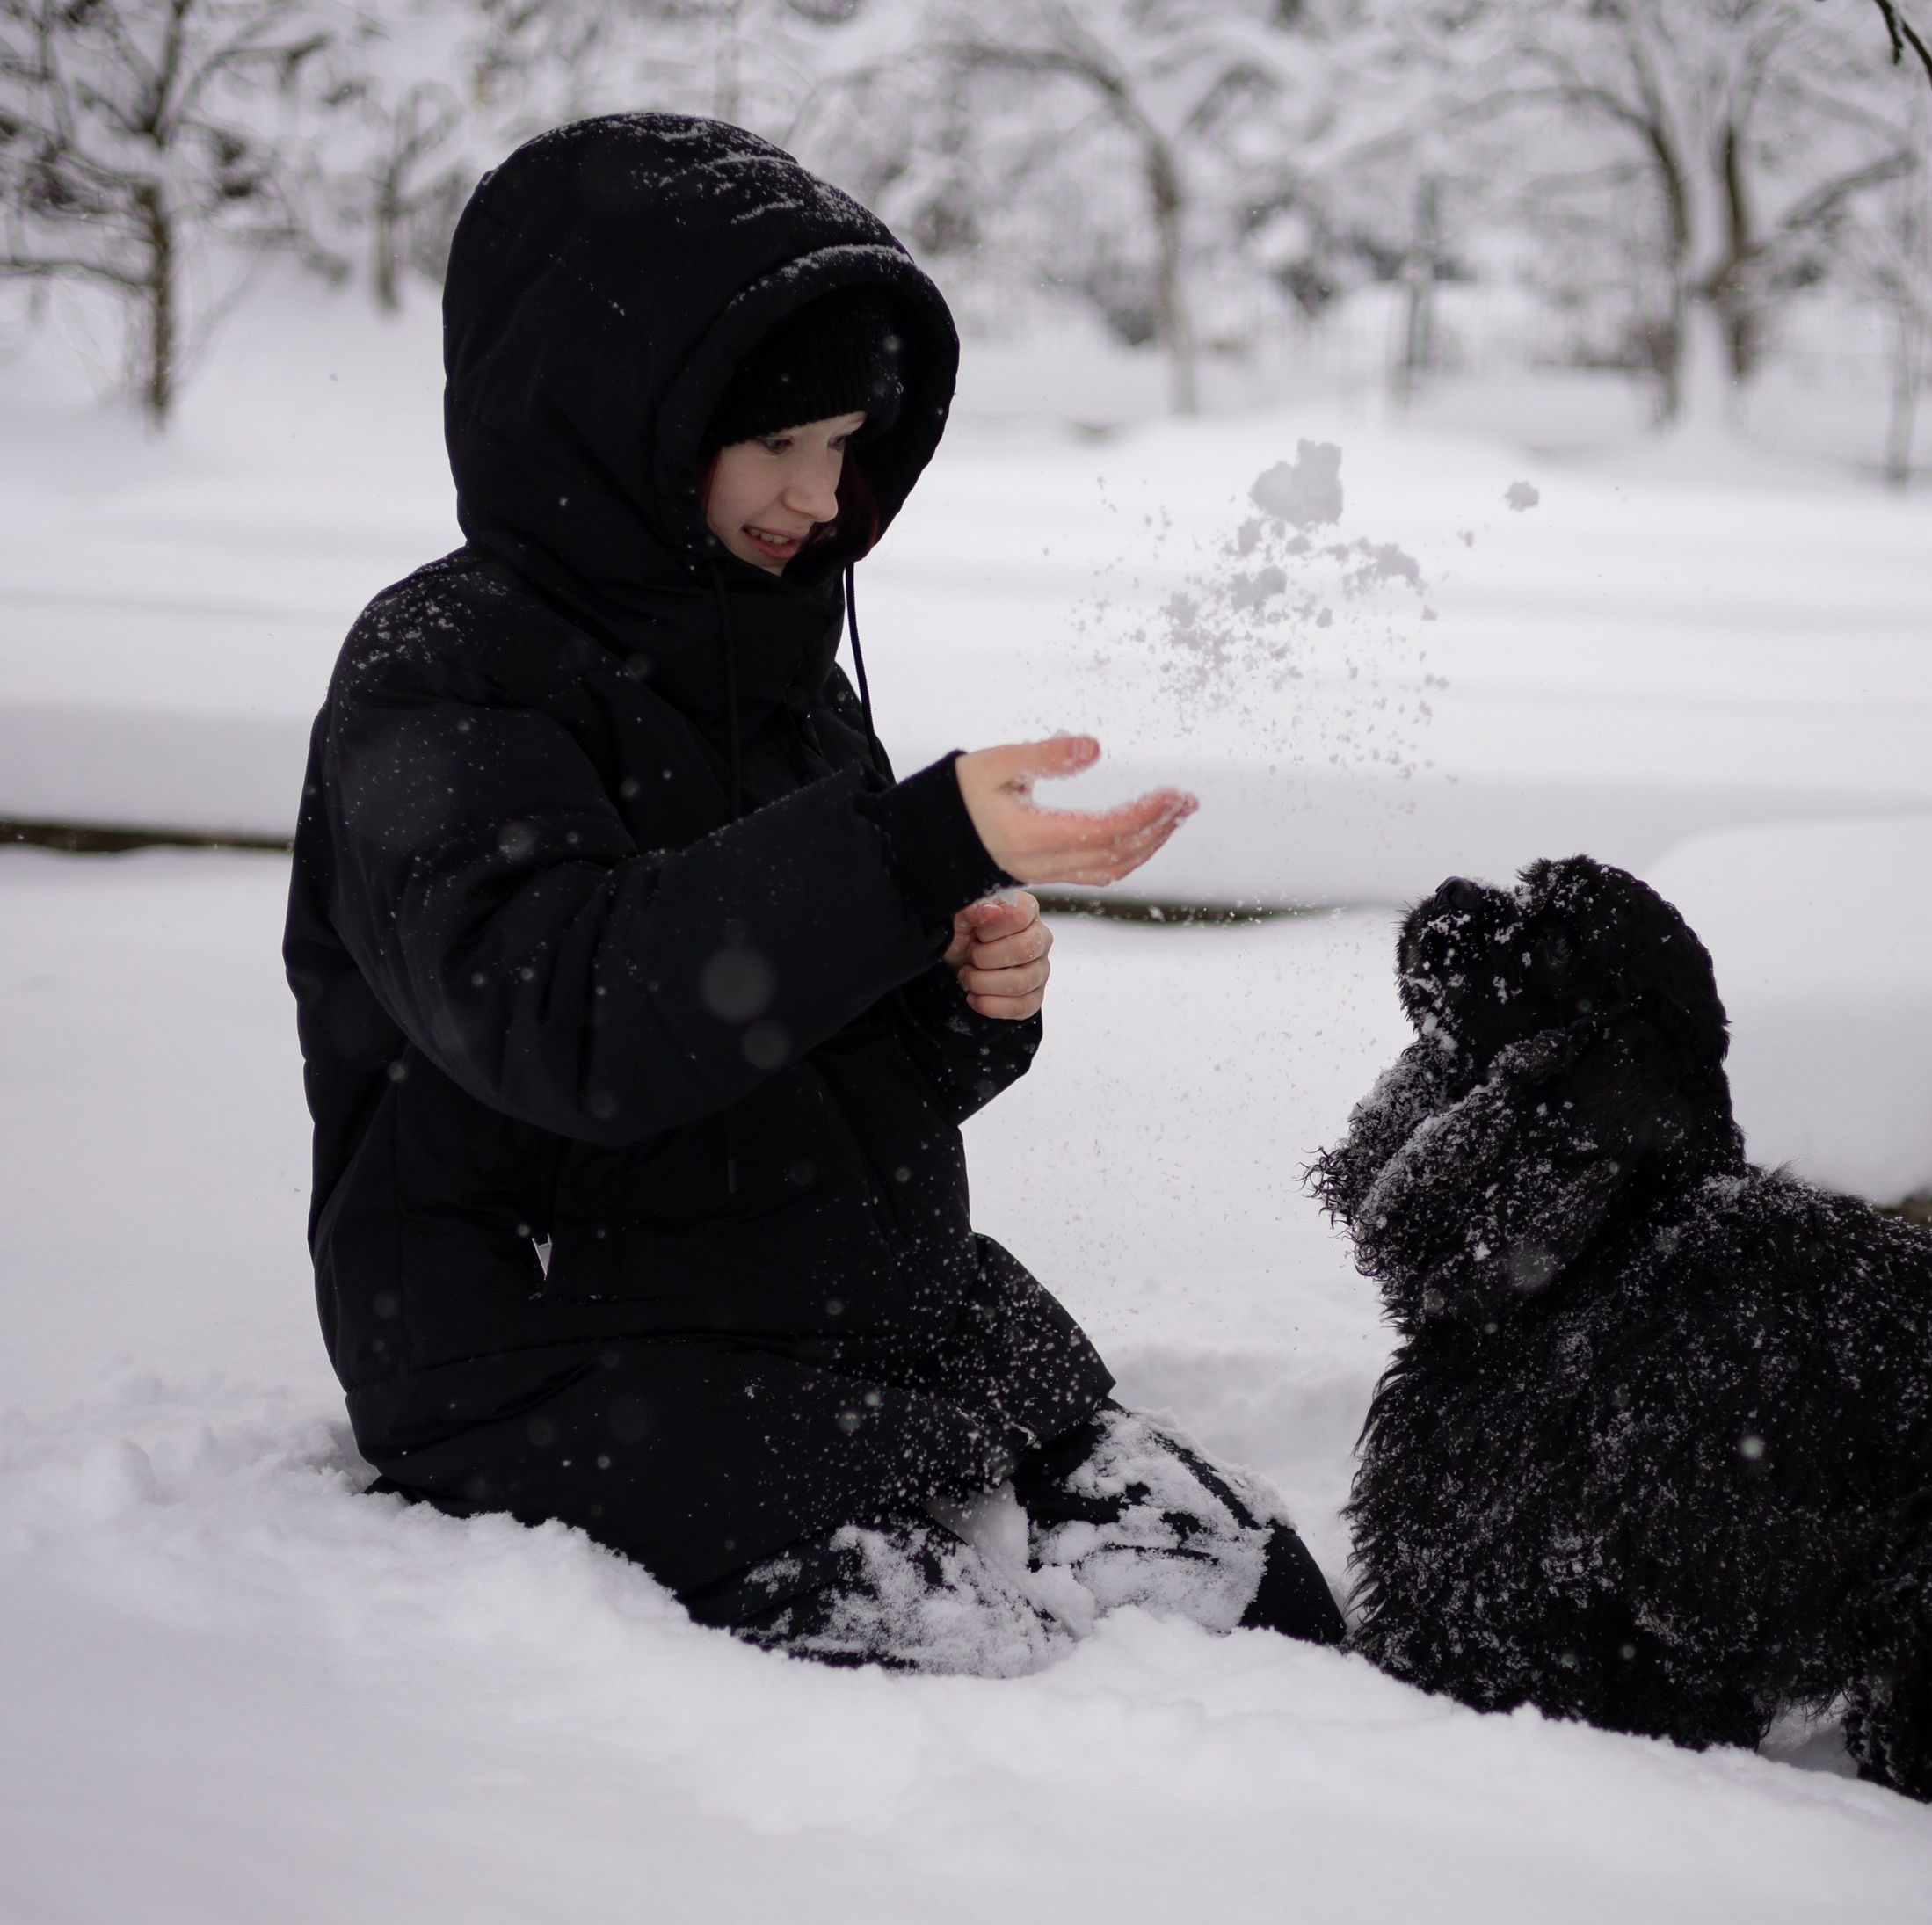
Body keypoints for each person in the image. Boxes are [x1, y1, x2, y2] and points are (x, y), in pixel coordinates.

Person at [283, 113, 1345, 1670]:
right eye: (779, 444)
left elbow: (809, 1047)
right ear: (621, 418)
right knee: (1016, 1682)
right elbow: (568, 1021)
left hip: (858, 1310)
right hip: (556, 1351)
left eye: (847, 447)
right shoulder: (443, 678)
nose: (819, 496)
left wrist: (961, 1001)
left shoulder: (778, 659)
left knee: (1250, 1599)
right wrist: (899, 858)